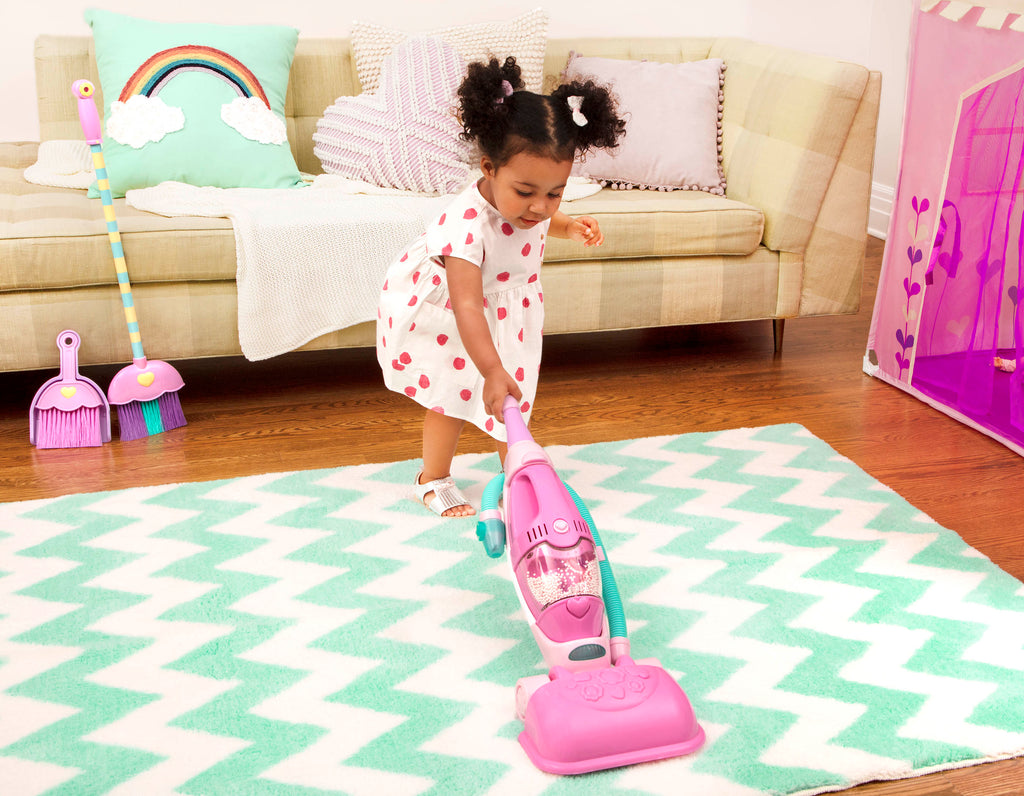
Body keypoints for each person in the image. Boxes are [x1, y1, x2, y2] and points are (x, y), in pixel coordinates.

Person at [377, 55, 626, 517]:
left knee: (515, 396)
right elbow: (467, 304)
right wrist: (489, 368)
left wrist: (568, 226)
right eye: (526, 192)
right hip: (454, 314)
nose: (539, 207)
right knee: (450, 396)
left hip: (510, 312)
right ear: (489, 168)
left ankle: (518, 473)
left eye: (555, 193)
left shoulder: (534, 208)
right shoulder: (466, 228)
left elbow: (538, 222)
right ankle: (431, 478)